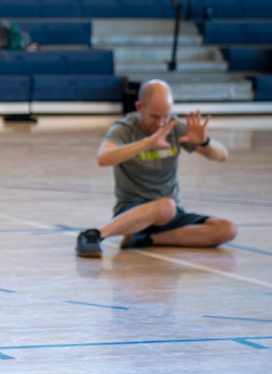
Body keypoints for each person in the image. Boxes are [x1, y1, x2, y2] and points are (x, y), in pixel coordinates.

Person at [75, 79, 237, 258]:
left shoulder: (174, 127)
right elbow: (103, 158)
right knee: (166, 206)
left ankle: (146, 239)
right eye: (154, 117)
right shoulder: (125, 129)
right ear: (139, 107)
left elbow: (221, 156)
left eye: (166, 116)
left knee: (227, 229)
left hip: (171, 212)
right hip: (132, 210)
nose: (161, 123)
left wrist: (205, 142)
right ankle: (93, 235)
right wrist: (148, 143)